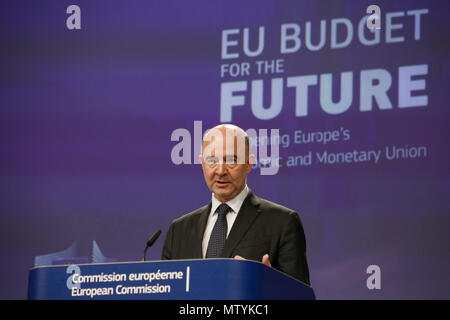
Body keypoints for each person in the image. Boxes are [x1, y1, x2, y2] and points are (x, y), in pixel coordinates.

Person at [162, 124, 310, 285]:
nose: (220, 170)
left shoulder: (282, 223)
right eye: (211, 160)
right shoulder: (178, 231)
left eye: (231, 160)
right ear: (202, 163)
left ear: (248, 164)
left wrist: (269, 284)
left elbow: (300, 295)